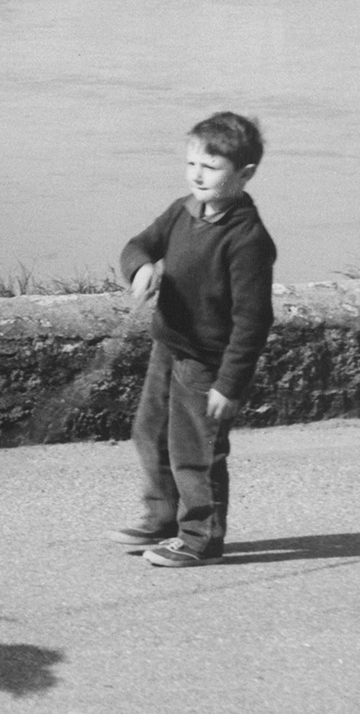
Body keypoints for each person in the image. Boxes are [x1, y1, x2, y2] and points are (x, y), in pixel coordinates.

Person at [112, 112, 276, 567]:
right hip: (169, 346)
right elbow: (137, 245)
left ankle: (201, 537)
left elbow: (254, 320)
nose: (198, 175)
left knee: (196, 452)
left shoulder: (248, 240)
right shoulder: (182, 211)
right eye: (191, 164)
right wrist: (142, 267)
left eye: (211, 166)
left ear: (244, 175)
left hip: (208, 363)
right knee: (150, 433)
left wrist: (231, 384)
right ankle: (163, 519)